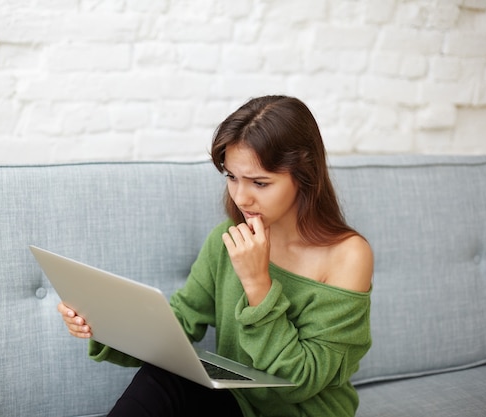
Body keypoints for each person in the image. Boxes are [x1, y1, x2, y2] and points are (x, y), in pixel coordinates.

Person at [58, 95, 373, 417]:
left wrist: (257, 283)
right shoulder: (228, 237)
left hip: (303, 412)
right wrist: (103, 325)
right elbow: (179, 325)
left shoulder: (348, 256)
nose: (240, 197)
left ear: (305, 176)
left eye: (260, 183)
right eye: (232, 177)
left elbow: (301, 380)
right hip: (237, 401)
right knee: (167, 376)